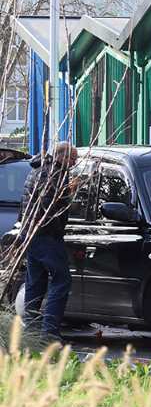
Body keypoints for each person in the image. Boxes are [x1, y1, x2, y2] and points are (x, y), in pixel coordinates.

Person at [19, 142, 79, 340]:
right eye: (72, 158)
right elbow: (50, 207)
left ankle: (31, 332)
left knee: (35, 283)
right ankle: (49, 332)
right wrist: (70, 193)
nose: (74, 163)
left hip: (32, 234)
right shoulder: (53, 174)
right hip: (46, 235)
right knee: (61, 280)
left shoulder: (39, 170)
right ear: (61, 156)